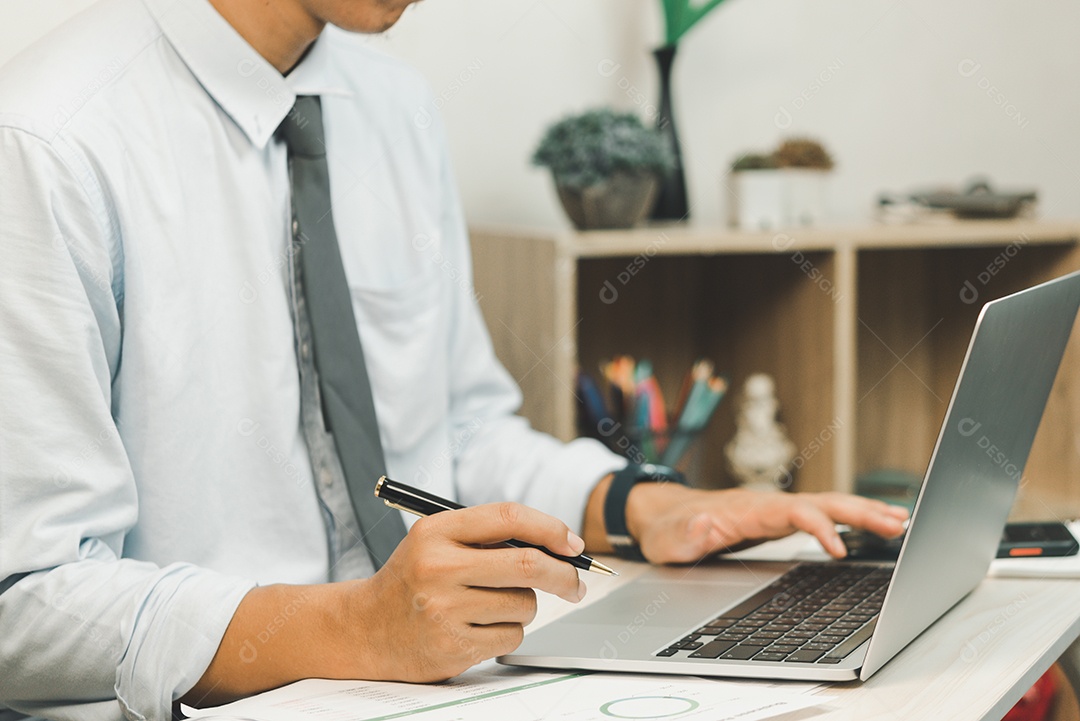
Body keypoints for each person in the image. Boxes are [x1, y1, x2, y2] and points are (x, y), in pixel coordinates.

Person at [0, 0, 908, 718]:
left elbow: (460, 432)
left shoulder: (394, 106)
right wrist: (354, 628)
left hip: (435, 686)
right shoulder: (46, 142)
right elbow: (24, 600)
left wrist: (654, 505)